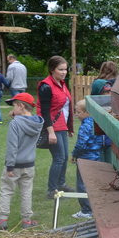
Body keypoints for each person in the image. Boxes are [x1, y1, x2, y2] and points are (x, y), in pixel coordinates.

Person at [0, 93, 44, 231]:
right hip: (29, 164)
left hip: (14, 165)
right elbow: (25, 126)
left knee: (7, 190)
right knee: (26, 192)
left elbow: (12, 147)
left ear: (20, 106)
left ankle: (2, 221)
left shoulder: (15, 124)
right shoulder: (37, 122)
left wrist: (9, 167)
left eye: (14, 105)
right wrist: (16, 117)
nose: (13, 108)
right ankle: (27, 221)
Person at [37, 55, 74, 199]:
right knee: (59, 158)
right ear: (52, 69)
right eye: (61, 69)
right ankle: (52, 190)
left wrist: (69, 127)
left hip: (62, 126)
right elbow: (45, 111)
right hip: (52, 126)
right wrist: (50, 132)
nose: (64, 72)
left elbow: (66, 107)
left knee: (64, 157)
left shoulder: (62, 84)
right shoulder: (46, 86)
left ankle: (61, 183)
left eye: (66, 69)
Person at [70, 99, 106, 219]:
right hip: (96, 156)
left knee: (82, 184)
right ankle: (96, 207)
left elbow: (81, 143)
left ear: (87, 113)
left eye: (78, 112)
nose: (76, 115)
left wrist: (75, 154)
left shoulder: (85, 126)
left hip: (85, 158)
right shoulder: (97, 123)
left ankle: (86, 211)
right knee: (94, 183)